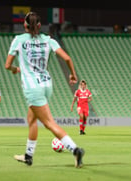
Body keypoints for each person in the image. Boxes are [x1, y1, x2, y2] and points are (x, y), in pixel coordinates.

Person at [5, 12, 84, 168]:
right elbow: (67, 58)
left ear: (25, 25)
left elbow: (7, 65)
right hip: (47, 84)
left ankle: (75, 150)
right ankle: (28, 156)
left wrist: (15, 69)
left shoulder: (19, 40)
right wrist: (73, 75)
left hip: (32, 87)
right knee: (32, 119)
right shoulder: (49, 40)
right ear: (39, 26)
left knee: (49, 123)